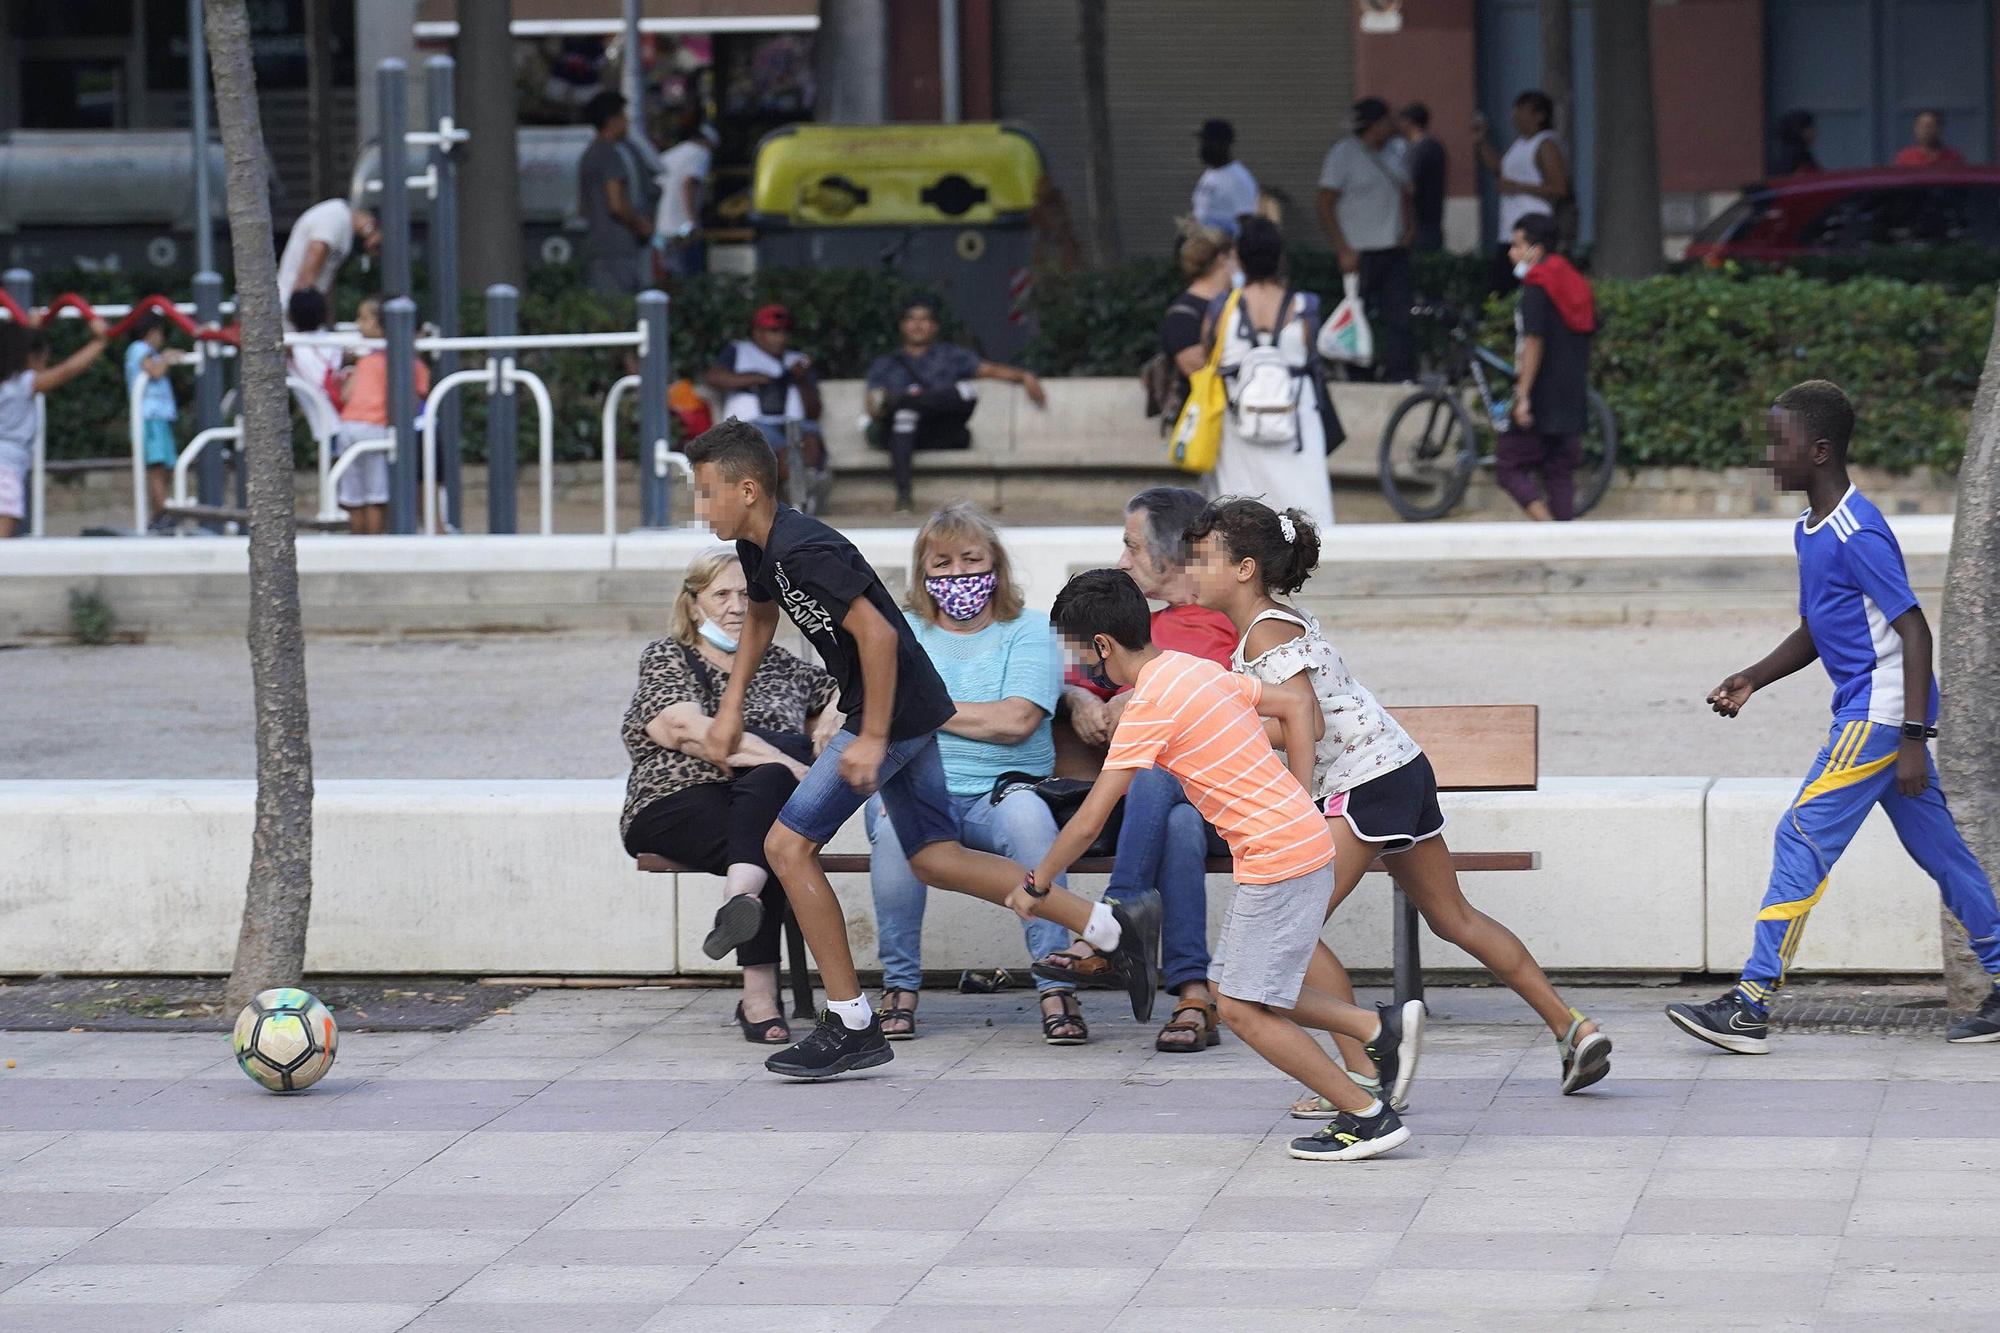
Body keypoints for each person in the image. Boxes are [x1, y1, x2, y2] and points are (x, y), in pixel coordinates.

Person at [685, 420, 1162, 1080]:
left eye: (707, 492)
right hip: (907, 707)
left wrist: (874, 735)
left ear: (748, 487)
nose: (699, 507)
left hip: (894, 711)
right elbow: (763, 619)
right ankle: (1111, 928)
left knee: (785, 847)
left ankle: (851, 1020)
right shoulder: (761, 548)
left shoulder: (803, 547)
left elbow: (879, 638)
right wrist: (731, 709)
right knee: (936, 857)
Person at [1187, 497, 1613, 1104]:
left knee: (1294, 928)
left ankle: (1364, 1071)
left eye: (1203, 559)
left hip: (1360, 786)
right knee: (1453, 917)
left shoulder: (1265, 634)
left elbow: (1299, 721)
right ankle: (1572, 1027)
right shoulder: (1281, 620)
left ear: (1245, 568)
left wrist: (1222, 729)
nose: (1190, 572)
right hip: (1400, 770)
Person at [1037, 568, 1426, 1162]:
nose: (1087, 669)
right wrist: (1301, 798)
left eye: (1082, 656)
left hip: (1278, 857)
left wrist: (1036, 883)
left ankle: (1366, 1114)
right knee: (1249, 987)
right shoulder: (1193, 669)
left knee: (1240, 1007)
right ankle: (1377, 1031)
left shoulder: (1148, 707)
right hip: (1296, 844)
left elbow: (1089, 820)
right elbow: (1296, 705)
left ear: (1102, 647)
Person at [1669, 380, 2000, 1053]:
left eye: (1780, 444)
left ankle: (1752, 1003)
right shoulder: (1811, 529)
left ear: (1818, 450)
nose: (1770, 457)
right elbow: (1819, 627)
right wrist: (1754, 676)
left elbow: (1915, 632)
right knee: (1944, 854)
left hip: (1877, 719)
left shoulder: (1858, 530)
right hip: (1876, 716)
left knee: (1799, 833)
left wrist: (1913, 737)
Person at [864, 503, 1085, 1044]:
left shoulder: (1030, 630)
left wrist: (924, 708)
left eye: (971, 559)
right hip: (916, 787)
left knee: (1032, 825)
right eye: (941, 564)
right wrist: (960, 714)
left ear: (996, 566)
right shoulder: (902, 631)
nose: (957, 575)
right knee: (894, 835)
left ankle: (1057, 984)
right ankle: (899, 986)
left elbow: (1016, 720)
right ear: (922, 573)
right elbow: (875, 706)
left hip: (1008, 789)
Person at [622, 546, 841, 1045]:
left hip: (755, 815)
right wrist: (789, 764)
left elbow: (851, 689)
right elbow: (683, 729)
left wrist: (832, 711)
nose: (737, 605)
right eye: (721, 594)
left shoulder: (784, 666)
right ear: (694, 604)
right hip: (676, 799)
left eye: (748, 594)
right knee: (775, 829)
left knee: (771, 832)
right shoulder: (667, 656)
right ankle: (757, 989)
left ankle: (741, 905)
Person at [1042, 488, 1236, 1052]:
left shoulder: (1221, 625)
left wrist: (1149, 699)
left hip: (1220, 804)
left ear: (1169, 554)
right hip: (1168, 816)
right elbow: (1084, 673)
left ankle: (1113, 917)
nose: (1123, 561)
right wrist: (1080, 700)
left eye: (1131, 547)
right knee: (1173, 824)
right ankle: (1194, 994)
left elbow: (1213, 698)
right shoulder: (1142, 627)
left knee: (1155, 778)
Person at [1206, 216, 1336, 532]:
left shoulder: (1224, 308)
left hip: (1240, 420)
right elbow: (1315, 354)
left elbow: (1209, 352)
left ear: (1239, 258)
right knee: (1304, 497)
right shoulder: (1305, 305)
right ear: (1279, 257)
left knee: (1240, 507)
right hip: (1295, 418)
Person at [863, 295, 1046, 513]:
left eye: (925, 319)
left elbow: (990, 370)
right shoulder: (887, 364)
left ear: (934, 326)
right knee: (905, 416)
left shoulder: (950, 356)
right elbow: (873, 406)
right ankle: (904, 498)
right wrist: (884, 407)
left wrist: (1024, 376)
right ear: (902, 325)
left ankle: (909, 402)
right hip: (901, 436)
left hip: (940, 430)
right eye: (912, 319)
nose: (918, 325)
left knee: (965, 394)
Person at [1499, 213, 1595, 522]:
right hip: (1572, 393)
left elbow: (1533, 342)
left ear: (1535, 250)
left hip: (1543, 395)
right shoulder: (1573, 281)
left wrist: (1523, 395)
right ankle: (1563, 543)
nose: (1511, 253)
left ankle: (1549, 531)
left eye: (1517, 245)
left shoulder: (1536, 287)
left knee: (1508, 465)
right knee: (1559, 471)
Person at [1317, 97, 1414, 382]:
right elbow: (1324, 203)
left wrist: (1410, 229)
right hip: (1360, 252)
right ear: (1374, 125)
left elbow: (1406, 192)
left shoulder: (1395, 153)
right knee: (1358, 314)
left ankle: (1400, 373)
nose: (1392, 125)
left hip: (1393, 250)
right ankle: (1359, 371)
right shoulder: (1343, 154)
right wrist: (1342, 248)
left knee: (1399, 315)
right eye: (1386, 121)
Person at [705, 303, 830, 514]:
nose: (780, 337)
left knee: (809, 437)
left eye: (784, 331)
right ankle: (796, 497)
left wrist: (801, 380)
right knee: (774, 445)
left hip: (792, 422)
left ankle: (804, 490)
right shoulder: (739, 351)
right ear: (757, 332)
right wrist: (756, 379)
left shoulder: (797, 361)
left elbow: (814, 410)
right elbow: (714, 377)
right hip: (750, 423)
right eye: (773, 331)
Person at [0, 317, 109, 538]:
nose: (44, 368)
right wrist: (100, 342)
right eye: (43, 361)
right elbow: (66, 371)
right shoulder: (22, 384)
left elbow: (12, 343)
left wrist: (32, 328)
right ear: (28, 357)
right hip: (5, 470)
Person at [332, 294, 430, 536]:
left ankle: (357, 542)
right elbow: (413, 400)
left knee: (354, 497)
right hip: (375, 428)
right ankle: (374, 543)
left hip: (349, 425)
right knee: (376, 496)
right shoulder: (411, 363)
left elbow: (346, 394)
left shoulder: (365, 360)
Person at [1475, 90, 1570, 294]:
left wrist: (1517, 187)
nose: (1514, 115)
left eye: (1521, 110)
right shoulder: (1519, 143)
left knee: (1525, 285)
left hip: (1533, 230)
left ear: (1539, 115)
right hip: (1510, 230)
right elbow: (1501, 169)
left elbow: (1559, 187)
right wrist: (1481, 142)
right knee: (1503, 287)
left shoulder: (1545, 143)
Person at [1152, 220, 1234, 431]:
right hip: (1204, 424)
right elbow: (1195, 368)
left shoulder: (1235, 303)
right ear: (1222, 259)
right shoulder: (1183, 314)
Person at [578, 91, 654, 295]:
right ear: (612, 120)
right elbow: (616, 203)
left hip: (598, 245)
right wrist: (640, 225)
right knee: (622, 309)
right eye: (623, 115)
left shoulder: (591, 154)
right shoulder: (609, 154)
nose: (627, 121)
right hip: (617, 247)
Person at [123, 314, 187, 529]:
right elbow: (155, 371)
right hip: (148, 417)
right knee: (157, 467)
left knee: (166, 466)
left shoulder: (151, 353)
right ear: (151, 332)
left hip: (159, 416)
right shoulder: (138, 349)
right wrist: (167, 357)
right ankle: (161, 513)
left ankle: (159, 512)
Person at [276, 198, 380, 308]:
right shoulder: (335, 216)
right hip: (295, 307)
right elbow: (315, 254)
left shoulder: (345, 227)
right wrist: (301, 306)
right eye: (377, 247)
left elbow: (328, 278)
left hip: (308, 307)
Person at [653, 114, 718, 279]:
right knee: (688, 278)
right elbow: (688, 184)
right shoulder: (701, 153)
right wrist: (692, 222)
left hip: (661, 227)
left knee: (669, 277)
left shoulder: (672, 154)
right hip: (682, 229)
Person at [1191, 119, 1260, 238]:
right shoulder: (1210, 173)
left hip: (1224, 253)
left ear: (1223, 144)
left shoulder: (1239, 179)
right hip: (1204, 249)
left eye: (1208, 141)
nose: (1203, 146)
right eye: (1202, 142)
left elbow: (1247, 224)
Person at [1396, 103, 1448, 253]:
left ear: (1410, 122)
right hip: (1424, 225)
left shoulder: (1425, 148)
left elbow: (1410, 185)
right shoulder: (1421, 147)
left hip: (1423, 226)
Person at [1893, 109, 1966, 168]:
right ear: (1915, 129)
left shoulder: (1954, 158)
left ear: (1939, 129)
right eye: (1921, 126)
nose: (1925, 130)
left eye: (1930, 126)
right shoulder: (1904, 158)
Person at [1772, 109, 1821, 176]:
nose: (1814, 132)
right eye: (1810, 128)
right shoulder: (1799, 156)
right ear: (1799, 130)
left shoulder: (1784, 154)